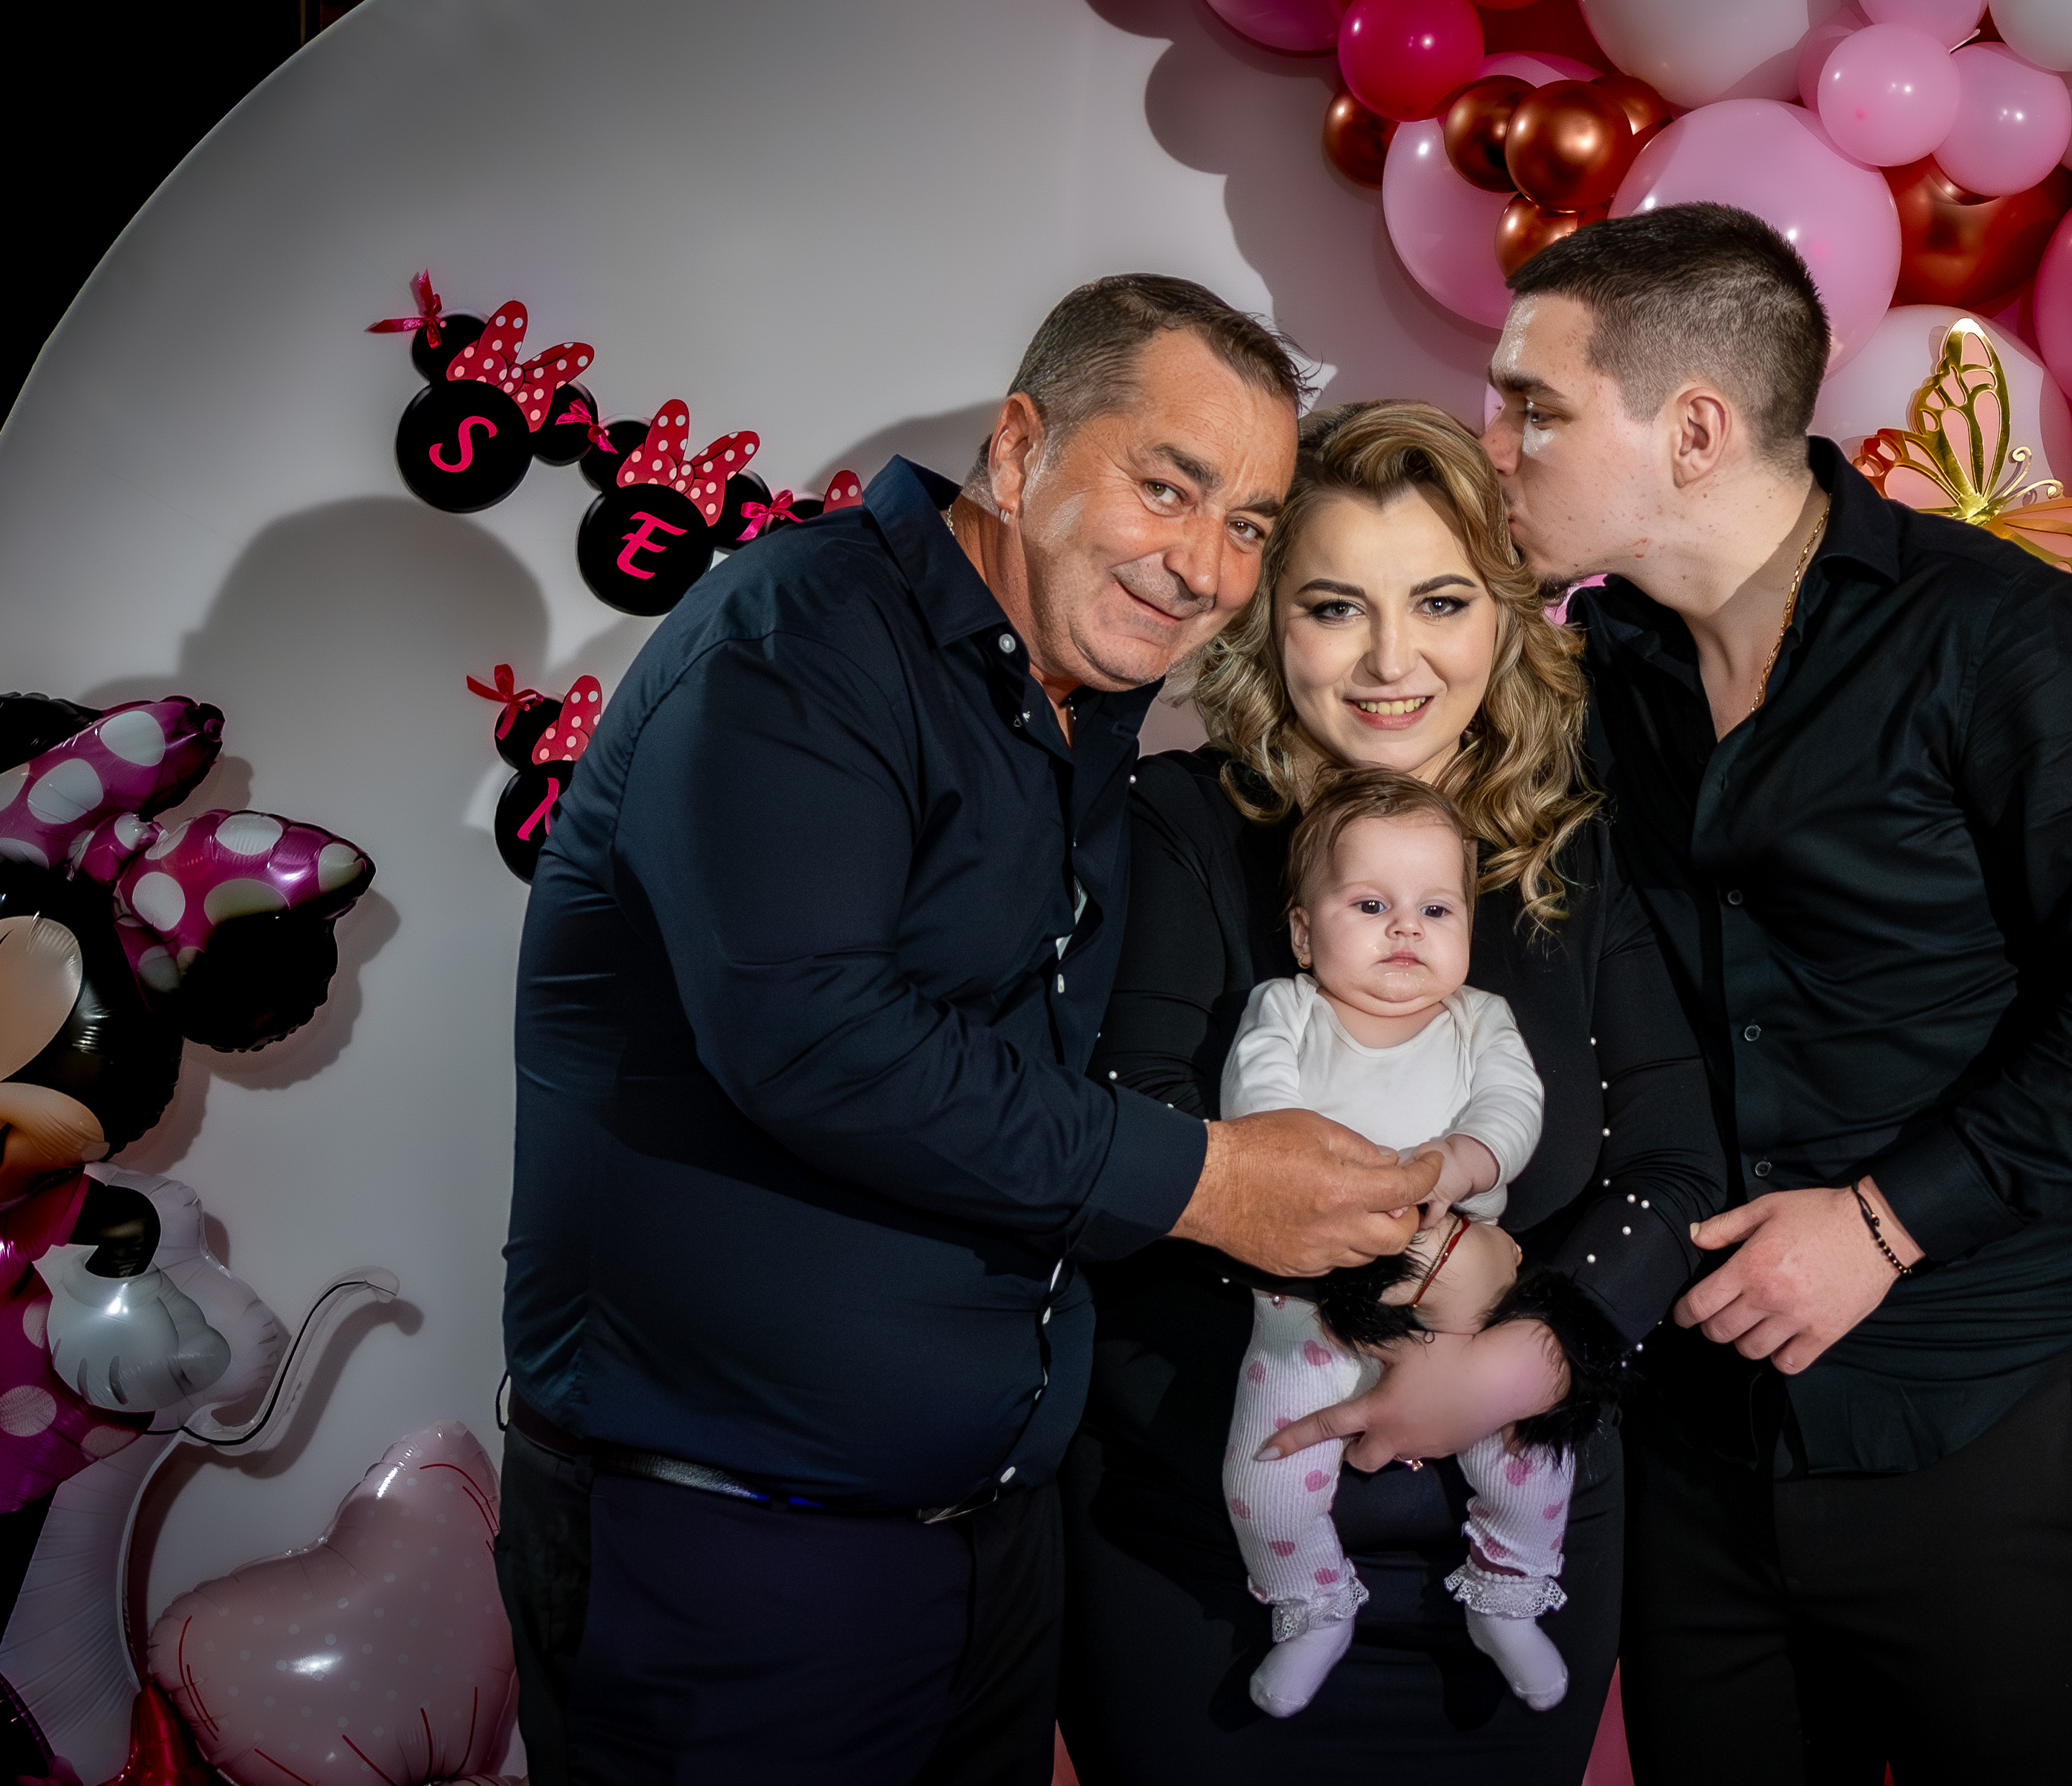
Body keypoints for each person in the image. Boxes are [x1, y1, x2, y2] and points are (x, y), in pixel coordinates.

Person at [497, 275, 1441, 1786]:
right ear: (1016, 449)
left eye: (1249, 526)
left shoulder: (1079, 701)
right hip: (734, 1560)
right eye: (1166, 489)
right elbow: (815, 1039)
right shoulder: (799, 642)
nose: (1205, 567)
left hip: (983, 1552)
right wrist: (1209, 1180)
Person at [1486, 206, 2072, 1783]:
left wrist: (1885, 1222)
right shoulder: (1596, 668)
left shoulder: (2001, 636)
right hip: (1698, 1448)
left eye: (1535, 407)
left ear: (1694, 429)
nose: (1495, 444)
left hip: (1996, 1418)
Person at [1062, 399, 1726, 1783]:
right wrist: (1432, 1257)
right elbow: (1134, 1134)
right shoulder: (1181, 823)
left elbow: (1677, 1167)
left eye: (1438, 600)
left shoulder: (1579, 855)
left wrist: (1525, 1354)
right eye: (1333, 606)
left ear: (1505, 617)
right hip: (1204, 1557)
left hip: (1526, 1553)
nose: (1388, 660)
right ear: (1269, 622)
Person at [1217, 770, 1570, 1718]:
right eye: (1371, 905)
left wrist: (1462, 1159)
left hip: (1457, 1300)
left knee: (1533, 1445)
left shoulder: (1478, 1019)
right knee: (1266, 1469)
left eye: (1436, 908)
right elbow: (1258, 1104)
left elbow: (1514, 1106)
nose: (1406, 928)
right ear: (1304, 934)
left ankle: (1509, 1588)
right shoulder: (1288, 1008)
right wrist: (1334, 1176)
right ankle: (1311, 1602)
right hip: (1309, 1306)